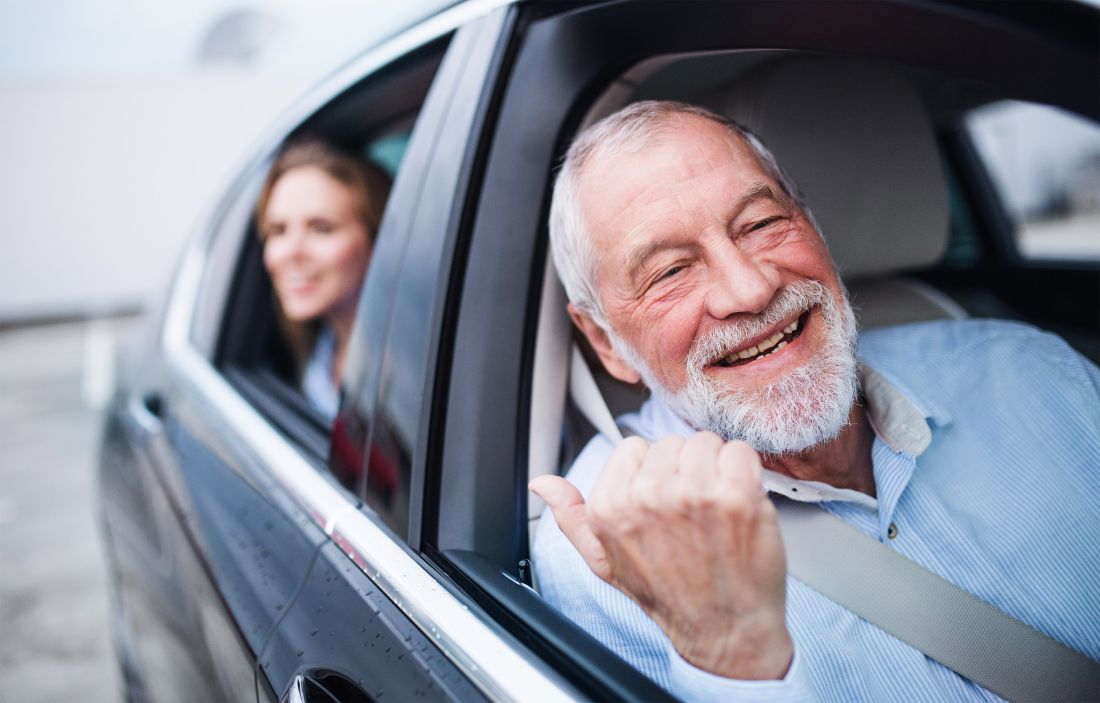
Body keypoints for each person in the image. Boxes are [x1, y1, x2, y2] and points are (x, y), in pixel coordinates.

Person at [530, 101, 1100, 701]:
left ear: (814, 226)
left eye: (759, 224)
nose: (749, 289)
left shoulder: (1029, 371)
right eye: (671, 272)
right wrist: (728, 660)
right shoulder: (604, 554)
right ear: (604, 343)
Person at [256, 140, 391, 419]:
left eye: (321, 228)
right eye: (278, 230)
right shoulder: (316, 353)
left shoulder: (420, 369)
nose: (292, 252)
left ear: (379, 239)